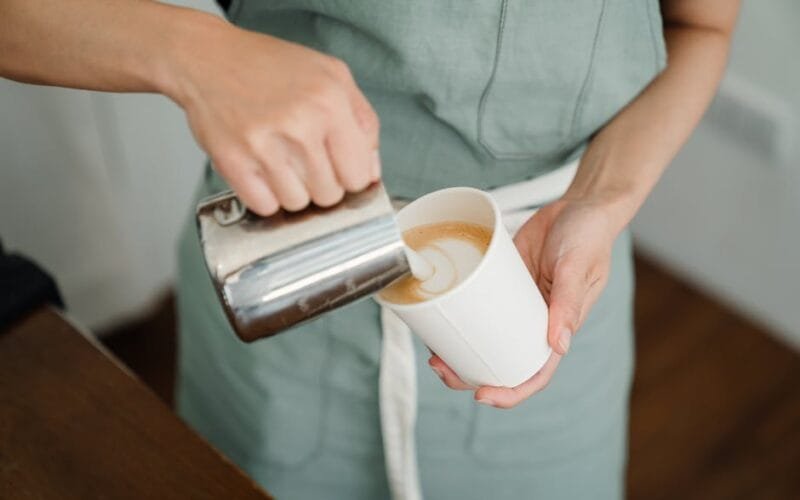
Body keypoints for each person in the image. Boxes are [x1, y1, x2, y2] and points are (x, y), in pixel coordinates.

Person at [1, 0, 739, 498]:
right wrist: (192, 50)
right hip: (280, 275)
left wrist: (597, 203)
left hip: (542, 277)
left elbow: (702, 26)